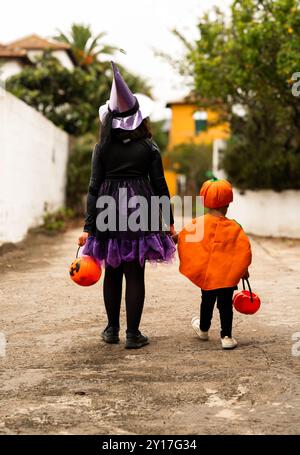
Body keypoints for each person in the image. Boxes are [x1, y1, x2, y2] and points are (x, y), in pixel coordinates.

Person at [78, 62, 176, 349]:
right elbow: (160, 189)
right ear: (139, 118)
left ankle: (111, 330)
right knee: (135, 271)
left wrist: (88, 226)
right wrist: (168, 222)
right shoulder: (149, 148)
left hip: (108, 209)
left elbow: (93, 188)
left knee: (112, 270)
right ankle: (133, 334)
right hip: (140, 210)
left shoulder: (103, 148)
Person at [177, 178, 252, 349]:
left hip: (207, 276)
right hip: (227, 277)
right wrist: (244, 270)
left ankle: (203, 330)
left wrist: (171, 239)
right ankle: (227, 337)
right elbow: (242, 250)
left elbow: (183, 238)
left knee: (207, 301)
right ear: (227, 204)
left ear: (205, 202)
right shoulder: (235, 227)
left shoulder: (198, 223)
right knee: (225, 305)